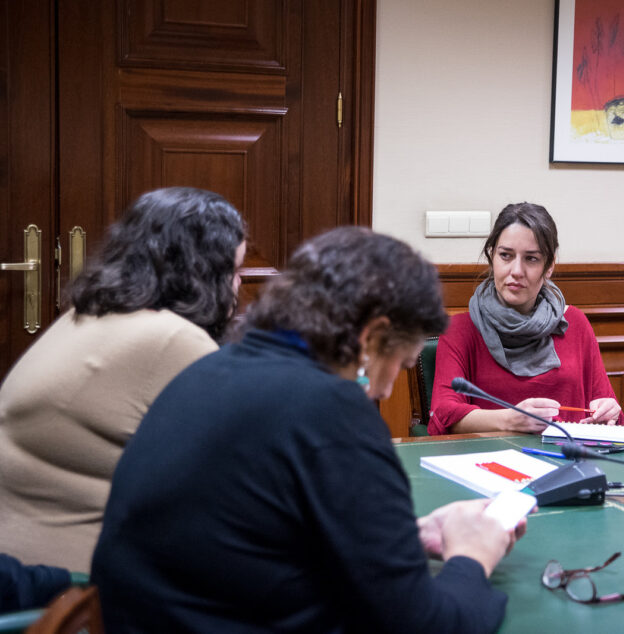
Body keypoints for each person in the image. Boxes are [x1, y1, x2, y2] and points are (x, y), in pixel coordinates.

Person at [91, 227, 525, 633]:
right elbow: (425, 623)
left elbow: (245, 537)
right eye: (401, 363)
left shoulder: (209, 370)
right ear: (371, 338)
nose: (389, 385)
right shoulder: (330, 409)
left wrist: (402, 538)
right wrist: (472, 557)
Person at [0, 187, 246, 573]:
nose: (238, 287)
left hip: (18, 564)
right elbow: (248, 463)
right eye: (234, 271)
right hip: (74, 593)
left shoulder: (86, 314)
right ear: (205, 272)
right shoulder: (171, 339)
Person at [428, 202, 621, 435]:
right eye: (506, 255)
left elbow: (607, 406)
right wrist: (509, 420)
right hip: (489, 464)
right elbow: (443, 414)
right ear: (492, 256)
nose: (516, 271)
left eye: (531, 259)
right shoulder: (460, 330)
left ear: (549, 266)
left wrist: (608, 411)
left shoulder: (575, 323)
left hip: (568, 462)